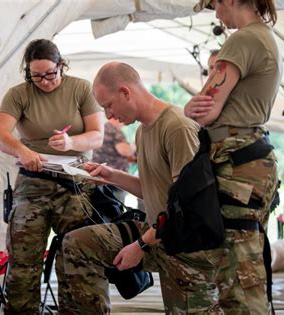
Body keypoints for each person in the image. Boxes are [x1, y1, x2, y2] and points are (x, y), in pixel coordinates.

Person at [62, 62, 224, 314]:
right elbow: (153, 190)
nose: (108, 115)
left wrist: (140, 245)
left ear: (126, 92)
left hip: (187, 244)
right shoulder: (142, 131)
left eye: (108, 105)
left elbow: (185, 206)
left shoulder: (177, 127)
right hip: (156, 233)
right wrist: (111, 175)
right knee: (77, 242)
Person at [0, 38, 104, 313]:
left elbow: (96, 135)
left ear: (61, 65)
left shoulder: (80, 88)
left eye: (50, 74)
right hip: (34, 180)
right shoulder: (19, 94)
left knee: (78, 258)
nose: (44, 81)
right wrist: (21, 150)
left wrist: (71, 143)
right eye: (36, 76)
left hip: (75, 181)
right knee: (24, 259)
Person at [186, 0, 281, 313]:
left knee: (239, 280)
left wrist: (189, 108)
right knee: (246, 272)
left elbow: (205, 108)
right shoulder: (262, 36)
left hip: (237, 163)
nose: (216, 13)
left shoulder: (243, 39)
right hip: (250, 160)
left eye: (214, 4)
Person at [92, 117, 135, 202]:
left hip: (99, 176)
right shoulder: (114, 131)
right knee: (115, 208)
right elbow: (125, 151)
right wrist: (134, 145)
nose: (123, 124)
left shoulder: (102, 129)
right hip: (114, 180)